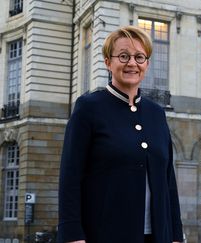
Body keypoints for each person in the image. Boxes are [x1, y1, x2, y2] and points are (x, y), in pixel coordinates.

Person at [57, 26, 183, 243]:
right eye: (123, 56)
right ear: (108, 62)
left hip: (158, 236)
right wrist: (72, 235)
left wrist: (176, 236)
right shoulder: (88, 108)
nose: (132, 63)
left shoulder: (157, 114)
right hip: (104, 234)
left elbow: (168, 182)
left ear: (147, 64)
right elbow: (70, 177)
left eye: (139, 57)